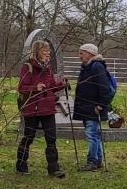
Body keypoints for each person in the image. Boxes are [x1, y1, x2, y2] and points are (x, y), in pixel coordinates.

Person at [16, 40, 68, 178]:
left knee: (51, 138)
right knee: (29, 137)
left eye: (48, 51)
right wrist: (35, 88)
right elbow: (21, 87)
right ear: (38, 52)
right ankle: (21, 165)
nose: (48, 54)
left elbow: (51, 86)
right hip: (33, 108)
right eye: (45, 51)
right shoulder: (28, 67)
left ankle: (53, 168)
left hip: (47, 107)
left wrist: (61, 84)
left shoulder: (48, 68)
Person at [71, 43, 116, 171]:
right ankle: (98, 160)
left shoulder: (96, 67)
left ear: (90, 53)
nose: (79, 56)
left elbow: (104, 89)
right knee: (94, 134)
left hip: (93, 108)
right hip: (87, 107)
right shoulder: (87, 67)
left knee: (91, 134)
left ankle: (92, 161)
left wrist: (101, 106)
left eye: (82, 53)